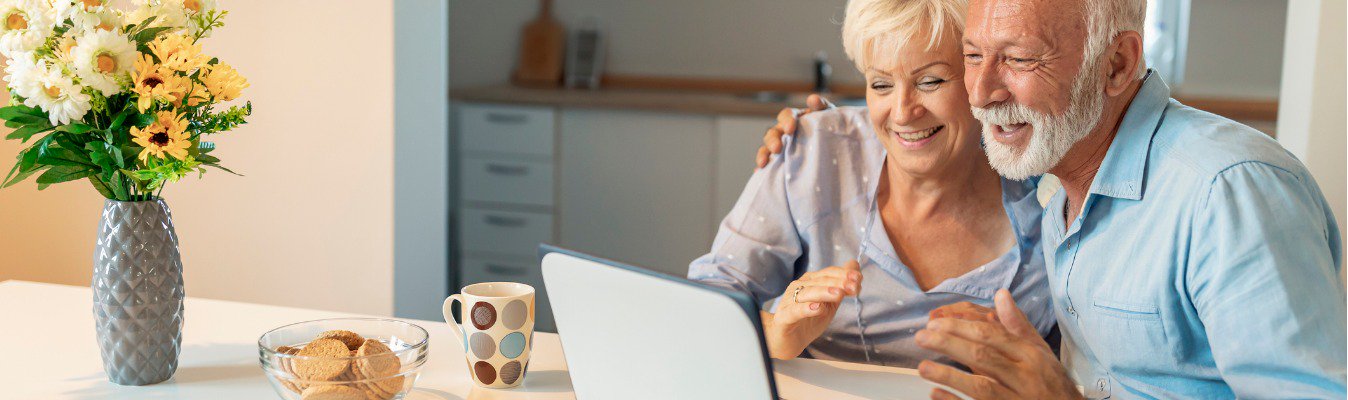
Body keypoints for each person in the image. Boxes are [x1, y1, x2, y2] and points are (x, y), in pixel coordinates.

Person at [757, 0, 1347, 398]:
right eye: (971, 57)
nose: (982, 92)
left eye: (1017, 59)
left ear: (1116, 64)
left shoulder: (1228, 190)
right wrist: (821, 132)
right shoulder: (1052, 175)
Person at [687, 0, 1055, 368]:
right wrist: (777, 335)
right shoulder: (817, 151)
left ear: (981, 77)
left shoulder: (1048, 204)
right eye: (881, 84)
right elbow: (708, 299)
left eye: (930, 81)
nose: (901, 112)